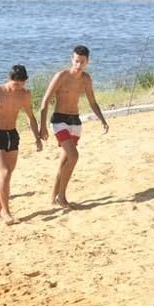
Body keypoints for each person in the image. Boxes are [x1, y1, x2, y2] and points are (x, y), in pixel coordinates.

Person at [39, 45, 109, 208]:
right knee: (74, 156)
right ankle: (61, 197)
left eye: (82, 62)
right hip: (59, 121)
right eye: (77, 61)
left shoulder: (86, 79)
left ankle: (53, 198)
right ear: (72, 59)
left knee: (65, 161)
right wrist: (42, 126)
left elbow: (92, 102)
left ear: (87, 62)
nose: (79, 65)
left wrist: (103, 120)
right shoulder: (61, 76)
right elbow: (45, 100)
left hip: (75, 122)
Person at [0, 65, 43, 224]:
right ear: (9, 79)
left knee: (6, 176)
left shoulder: (25, 95)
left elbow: (30, 117)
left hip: (12, 135)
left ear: (25, 82)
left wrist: (37, 137)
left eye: (20, 84)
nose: (16, 87)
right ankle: (6, 212)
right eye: (14, 83)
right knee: (4, 173)